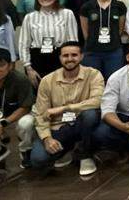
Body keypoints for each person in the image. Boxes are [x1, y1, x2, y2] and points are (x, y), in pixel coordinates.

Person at [29, 41, 104, 176]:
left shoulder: (93, 74)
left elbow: (98, 101)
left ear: (81, 56)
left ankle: (85, 155)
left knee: (90, 114)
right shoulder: (47, 81)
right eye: (65, 55)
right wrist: (47, 138)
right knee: (38, 160)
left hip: (82, 123)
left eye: (74, 55)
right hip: (58, 127)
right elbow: (41, 114)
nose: (70, 59)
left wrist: (64, 108)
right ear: (60, 58)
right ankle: (68, 149)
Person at [18, 0, 79, 86]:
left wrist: (71, 63)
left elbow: (73, 41)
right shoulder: (30, 17)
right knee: (39, 91)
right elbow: (23, 44)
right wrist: (28, 68)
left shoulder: (67, 14)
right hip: (37, 59)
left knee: (61, 90)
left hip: (60, 58)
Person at [79, 0, 127, 79]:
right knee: (93, 81)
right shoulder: (87, 7)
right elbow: (85, 32)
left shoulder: (120, 6)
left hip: (114, 51)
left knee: (114, 80)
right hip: (92, 52)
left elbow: (120, 29)